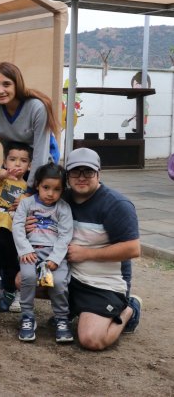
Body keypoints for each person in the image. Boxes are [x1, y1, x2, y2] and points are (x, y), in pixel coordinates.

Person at [63, 148, 142, 350]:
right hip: (69, 276)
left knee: (91, 340)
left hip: (103, 283)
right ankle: (76, 309)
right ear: (67, 175)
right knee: (22, 279)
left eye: (88, 172)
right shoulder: (61, 198)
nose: (81, 177)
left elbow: (133, 249)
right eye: (75, 172)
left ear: (99, 173)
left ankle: (129, 309)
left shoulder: (116, 205)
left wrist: (86, 253)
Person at [0, 61, 60, 187]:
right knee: (5, 206)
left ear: (17, 84)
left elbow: (41, 156)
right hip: (13, 171)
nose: (0, 91)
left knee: (30, 206)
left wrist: (30, 191)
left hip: (42, 170)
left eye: (6, 84)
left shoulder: (37, 108)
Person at [12, 163, 74, 343]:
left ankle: (62, 319)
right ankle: (27, 317)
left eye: (57, 189)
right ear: (38, 184)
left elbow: (65, 235)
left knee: (60, 282)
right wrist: (25, 249)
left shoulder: (63, 208)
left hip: (55, 254)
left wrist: (55, 258)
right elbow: (17, 227)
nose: (50, 193)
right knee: (28, 278)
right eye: (46, 187)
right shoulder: (26, 203)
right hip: (31, 252)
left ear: (62, 190)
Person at [0, 142, 32, 314]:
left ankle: (9, 293)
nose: (17, 164)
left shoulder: (27, 189)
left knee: (12, 265)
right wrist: (6, 173)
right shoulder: (1, 178)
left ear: (30, 165)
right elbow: (0, 174)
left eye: (23, 160)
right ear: (5, 162)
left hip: (14, 234)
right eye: (12, 159)